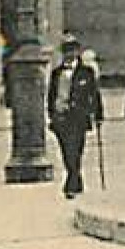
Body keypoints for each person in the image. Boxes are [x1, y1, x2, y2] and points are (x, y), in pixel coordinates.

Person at [46, 33, 104, 199]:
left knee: (76, 150)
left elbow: (95, 95)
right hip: (60, 117)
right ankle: (76, 180)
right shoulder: (56, 73)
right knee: (66, 151)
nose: (69, 54)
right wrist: (51, 113)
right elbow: (52, 94)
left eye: (72, 50)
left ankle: (71, 183)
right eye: (66, 50)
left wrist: (98, 114)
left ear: (77, 51)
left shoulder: (86, 72)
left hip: (78, 117)